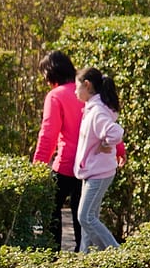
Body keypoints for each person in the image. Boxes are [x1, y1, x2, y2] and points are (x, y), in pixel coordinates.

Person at [32, 50, 83, 251]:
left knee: (51, 208)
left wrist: (38, 164)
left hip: (66, 162)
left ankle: (51, 253)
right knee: (82, 213)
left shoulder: (56, 96)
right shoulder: (86, 90)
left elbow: (48, 134)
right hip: (90, 163)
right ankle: (84, 255)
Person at [73, 66, 123, 253]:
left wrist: (107, 144)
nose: (75, 91)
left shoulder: (97, 112)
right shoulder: (93, 109)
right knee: (90, 217)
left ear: (87, 85)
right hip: (94, 171)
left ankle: (115, 251)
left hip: (99, 173)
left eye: (77, 87)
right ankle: (85, 257)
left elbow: (116, 132)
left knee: (85, 217)